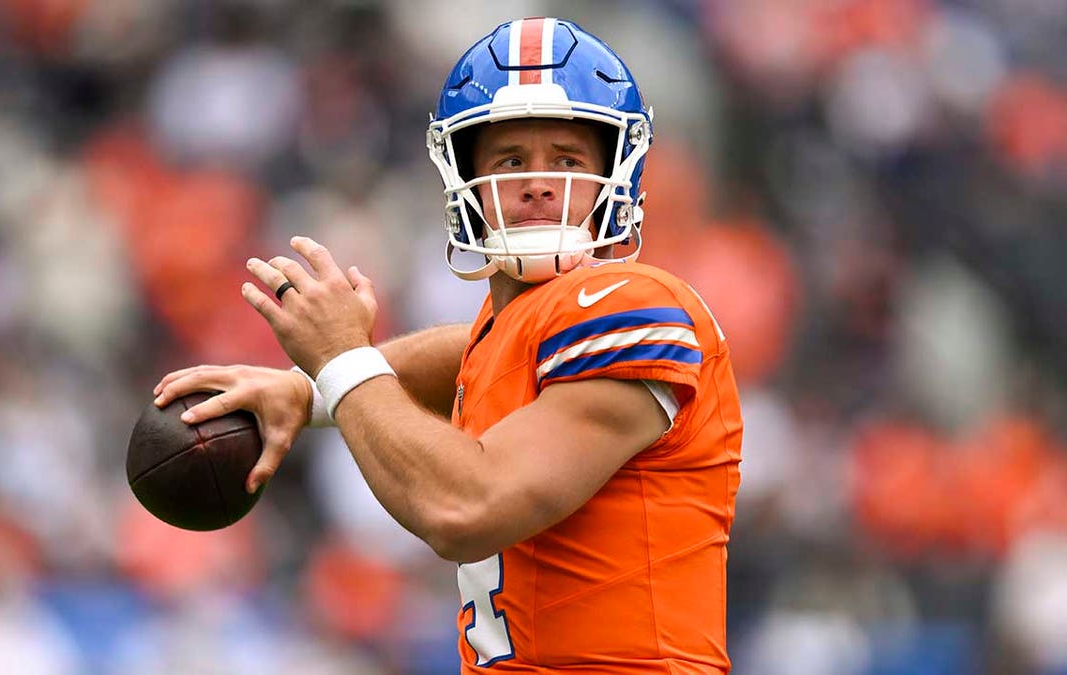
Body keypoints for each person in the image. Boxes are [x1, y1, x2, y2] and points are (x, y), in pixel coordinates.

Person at [153, 17, 743, 673]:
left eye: (568, 160)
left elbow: (466, 506)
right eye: (512, 160)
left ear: (621, 173)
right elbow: (471, 355)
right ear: (463, 177)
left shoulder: (633, 302)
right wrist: (306, 389)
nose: (539, 182)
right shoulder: (516, 333)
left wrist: (345, 363)